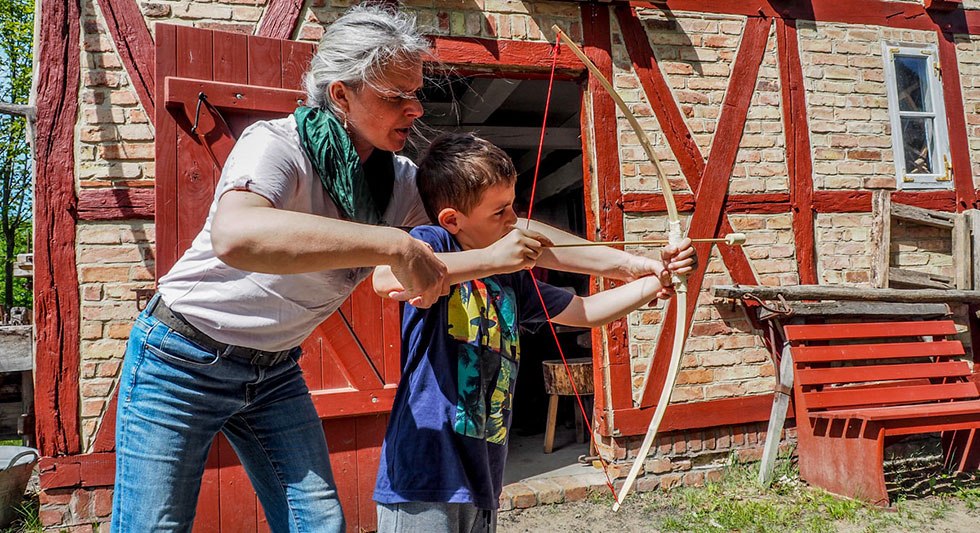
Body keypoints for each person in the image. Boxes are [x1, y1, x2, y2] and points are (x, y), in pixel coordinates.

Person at [112, 5, 675, 532]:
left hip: (274, 368)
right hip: (180, 356)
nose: (416, 108)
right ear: (342, 94)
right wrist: (393, 244)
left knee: (319, 523)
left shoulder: (397, 180)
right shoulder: (277, 145)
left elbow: (510, 233)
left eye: (416, 93)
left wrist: (632, 263)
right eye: (397, 95)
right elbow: (238, 235)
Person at [372, 133, 696, 532]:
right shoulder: (435, 243)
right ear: (453, 220)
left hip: (482, 478)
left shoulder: (511, 280)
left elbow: (585, 311)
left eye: (513, 205)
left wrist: (656, 279)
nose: (514, 220)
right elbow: (386, 275)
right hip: (423, 475)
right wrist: (491, 259)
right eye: (500, 211)